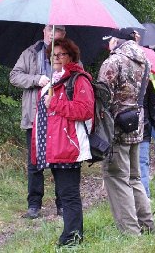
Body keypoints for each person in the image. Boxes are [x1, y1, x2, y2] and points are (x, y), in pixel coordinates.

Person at [98, 29, 155, 235]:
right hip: (137, 126)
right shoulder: (144, 60)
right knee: (134, 178)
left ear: (117, 39)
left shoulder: (113, 62)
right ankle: (147, 226)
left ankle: (131, 232)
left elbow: (101, 98)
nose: (108, 45)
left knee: (116, 177)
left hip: (116, 129)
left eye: (110, 40)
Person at [9, 25, 66, 219]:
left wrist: (62, 80)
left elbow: (78, 76)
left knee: (60, 161)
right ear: (43, 32)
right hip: (34, 117)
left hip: (60, 117)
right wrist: (36, 79)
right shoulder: (30, 53)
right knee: (34, 162)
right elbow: (14, 76)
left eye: (56, 30)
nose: (51, 33)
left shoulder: (68, 54)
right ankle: (34, 205)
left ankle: (62, 204)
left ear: (63, 34)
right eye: (49, 29)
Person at [43, 38, 94, 246]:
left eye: (61, 54)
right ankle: (70, 234)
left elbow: (85, 110)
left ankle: (73, 238)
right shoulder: (55, 80)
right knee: (64, 193)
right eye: (53, 55)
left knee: (69, 194)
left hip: (69, 145)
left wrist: (54, 102)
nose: (56, 58)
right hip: (56, 144)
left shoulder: (78, 79)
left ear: (71, 57)